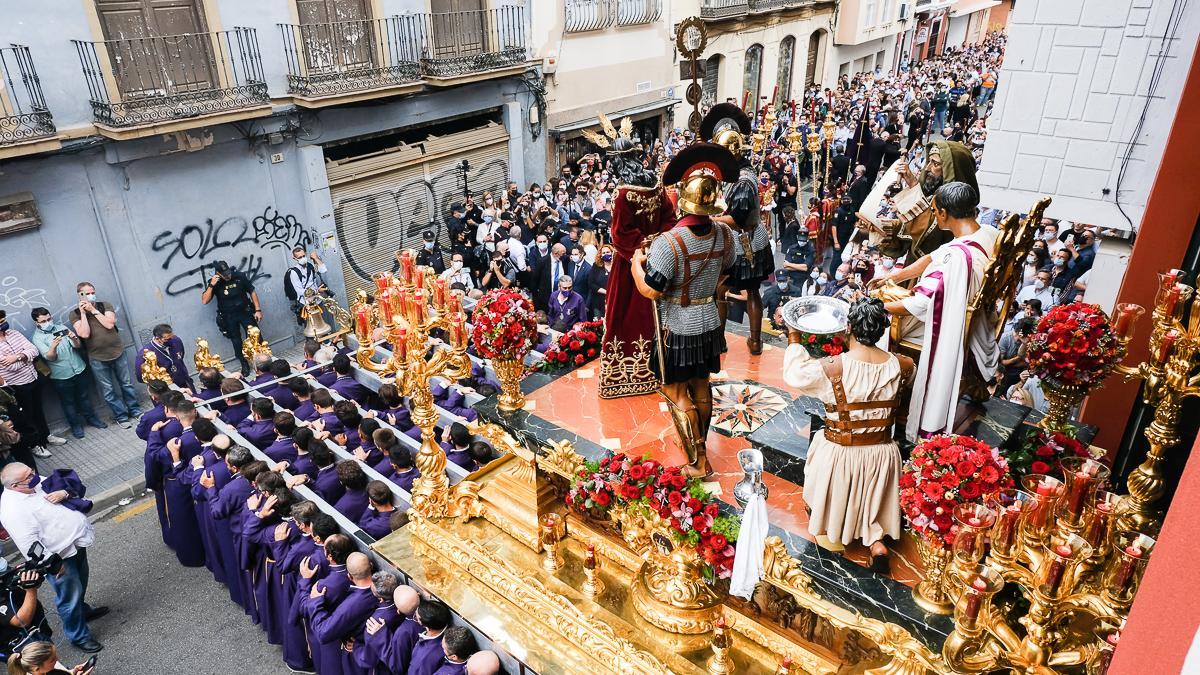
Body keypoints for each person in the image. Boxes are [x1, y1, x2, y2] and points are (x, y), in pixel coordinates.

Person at [783, 298, 913, 572]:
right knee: (872, 489)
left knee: (821, 445)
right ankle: (875, 540)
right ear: (881, 330)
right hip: (883, 453)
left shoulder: (832, 368)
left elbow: (795, 375)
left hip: (841, 453)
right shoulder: (903, 366)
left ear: (849, 328)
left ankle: (834, 532)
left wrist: (794, 338)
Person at [632, 143, 738, 478]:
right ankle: (701, 444)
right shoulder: (724, 232)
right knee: (701, 384)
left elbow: (651, 288)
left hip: (678, 324)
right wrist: (707, 289)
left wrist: (636, 265)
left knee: (676, 390)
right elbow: (729, 268)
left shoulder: (668, 242)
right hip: (709, 322)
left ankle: (698, 459)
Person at [878, 182, 999, 441]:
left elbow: (919, 304)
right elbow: (934, 256)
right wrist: (898, 276)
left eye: (934, 211)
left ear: (943, 213)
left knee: (881, 327)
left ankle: (886, 397)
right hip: (973, 317)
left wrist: (877, 306)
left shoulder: (955, 260)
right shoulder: (987, 233)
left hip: (948, 326)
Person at [0, 463, 106, 653]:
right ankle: (78, 636)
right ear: (15, 486)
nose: (34, 476)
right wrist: (54, 566)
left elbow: (63, 486)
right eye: (28, 476)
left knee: (80, 582)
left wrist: (64, 494)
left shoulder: (32, 483)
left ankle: (82, 610)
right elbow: (30, 545)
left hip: (75, 545)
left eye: (31, 471)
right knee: (68, 596)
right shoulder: (12, 510)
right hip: (60, 558)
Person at [704, 105, 771, 355]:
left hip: (744, 241)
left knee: (733, 290)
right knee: (730, 290)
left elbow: (738, 217)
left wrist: (712, 221)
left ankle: (751, 341)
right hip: (741, 240)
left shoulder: (742, 180)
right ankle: (730, 341)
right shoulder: (733, 172)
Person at [69, 282, 141, 429]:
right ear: (79, 295)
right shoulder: (75, 314)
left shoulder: (104, 305)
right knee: (108, 390)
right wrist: (84, 313)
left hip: (117, 351)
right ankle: (121, 416)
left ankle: (135, 410)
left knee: (126, 384)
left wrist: (93, 310)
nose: (90, 295)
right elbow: (84, 334)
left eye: (92, 292)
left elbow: (109, 324)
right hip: (97, 358)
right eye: (86, 293)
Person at [28, 308, 107, 441]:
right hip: (60, 376)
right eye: (43, 321)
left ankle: (92, 419)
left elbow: (77, 346)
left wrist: (75, 339)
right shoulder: (37, 338)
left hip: (78, 368)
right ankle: (76, 426)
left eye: (48, 319)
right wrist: (53, 346)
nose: (47, 322)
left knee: (84, 397)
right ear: (37, 323)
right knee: (68, 402)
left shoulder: (61, 327)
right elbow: (50, 358)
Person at [0, 312, 62, 461]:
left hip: (33, 378)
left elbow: (33, 350)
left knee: (38, 410)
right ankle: (35, 445)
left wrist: (17, 357)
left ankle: (46, 436)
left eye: (3, 320)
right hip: (16, 386)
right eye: (0, 321)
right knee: (26, 417)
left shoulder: (14, 333)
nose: (3, 323)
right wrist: (25, 357)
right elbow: (9, 368)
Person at [201, 260, 261, 376]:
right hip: (229, 316)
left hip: (245, 312)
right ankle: (244, 363)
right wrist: (211, 285)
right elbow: (205, 300)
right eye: (224, 274)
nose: (227, 276)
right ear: (218, 274)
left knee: (256, 336)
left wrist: (258, 310)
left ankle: (261, 360)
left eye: (228, 273)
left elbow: (252, 291)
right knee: (236, 341)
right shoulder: (214, 282)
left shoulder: (239, 276)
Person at [135, 323, 191, 390]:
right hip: (166, 390)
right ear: (157, 338)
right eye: (167, 339)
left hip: (185, 382)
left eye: (171, 337)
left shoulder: (176, 340)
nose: (171, 340)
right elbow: (140, 377)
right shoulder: (145, 354)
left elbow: (181, 356)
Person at [283, 246, 328, 324]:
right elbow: (300, 291)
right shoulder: (294, 272)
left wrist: (316, 258)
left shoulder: (310, 266)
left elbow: (323, 270)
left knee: (322, 324)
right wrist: (317, 290)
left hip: (317, 301)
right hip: (306, 303)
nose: (303, 258)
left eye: (304, 256)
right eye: (300, 257)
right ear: (295, 258)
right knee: (311, 328)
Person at [5, 641, 95, 675]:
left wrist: (72, 672)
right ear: (36, 668)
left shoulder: (46, 669)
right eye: (52, 660)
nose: (57, 660)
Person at [588, 244, 613, 320]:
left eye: (608, 252)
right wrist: (606, 292)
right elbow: (591, 283)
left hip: (614, 301)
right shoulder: (596, 266)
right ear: (600, 255)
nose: (606, 254)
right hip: (598, 303)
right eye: (604, 253)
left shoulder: (617, 266)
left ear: (612, 253)